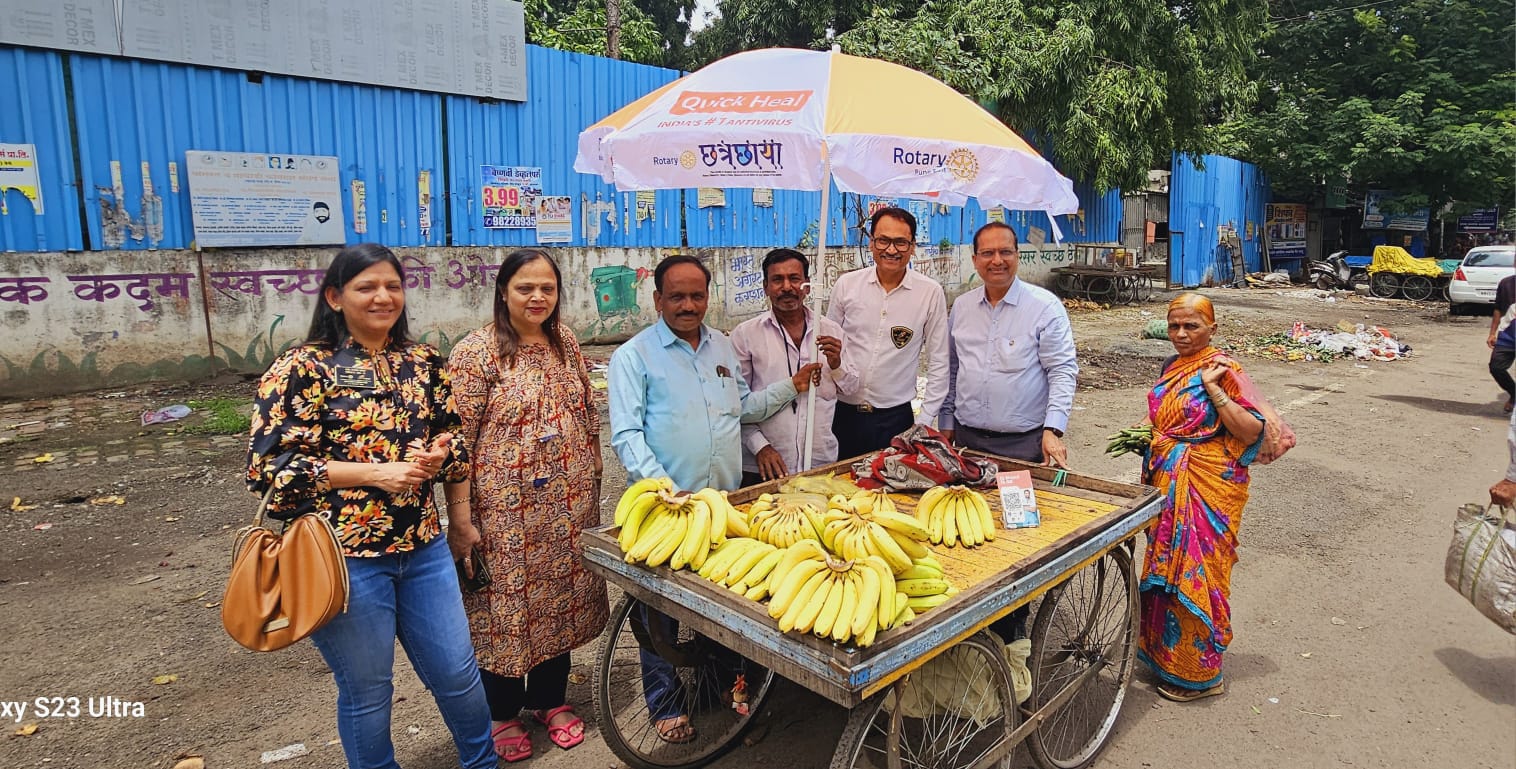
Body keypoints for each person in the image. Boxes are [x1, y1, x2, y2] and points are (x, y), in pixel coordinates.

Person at [245, 243, 495, 769]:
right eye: (366, 287)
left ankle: (482, 763)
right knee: (368, 689)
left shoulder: (422, 362)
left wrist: (445, 478)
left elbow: (455, 442)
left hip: (424, 549)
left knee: (457, 671)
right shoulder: (302, 368)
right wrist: (375, 473)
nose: (384, 297)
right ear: (335, 297)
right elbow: (270, 469)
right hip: (340, 557)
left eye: (393, 286)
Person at [609, 254, 820, 742]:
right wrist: (666, 489)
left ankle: (728, 684)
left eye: (697, 295)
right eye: (677, 296)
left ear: (709, 297)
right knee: (657, 612)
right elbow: (626, 435)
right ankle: (664, 703)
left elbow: (742, 410)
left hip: (723, 503)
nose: (688, 305)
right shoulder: (634, 356)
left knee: (725, 603)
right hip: (666, 510)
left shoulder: (721, 347)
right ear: (657, 298)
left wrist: (792, 385)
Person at [445, 249, 607, 762]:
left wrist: (593, 476)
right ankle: (501, 713)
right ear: (502, 291)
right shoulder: (477, 352)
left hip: (567, 507)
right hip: (503, 515)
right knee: (503, 609)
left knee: (559, 600)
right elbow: (458, 443)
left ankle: (549, 701)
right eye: (524, 288)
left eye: (547, 288)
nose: (537, 298)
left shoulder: (565, 342)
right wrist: (461, 520)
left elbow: (585, 411)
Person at [1138, 293, 1265, 702]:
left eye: (1191, 326)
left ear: (1213, 328)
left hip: (1209, 485)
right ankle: (1165, 659)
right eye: (1174, 325)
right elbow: (1163, 415)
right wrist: (1147, 434)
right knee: (1168, 576)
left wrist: (1214, 390)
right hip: (1169, 478)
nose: (1181, 334)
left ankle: (1203, 675)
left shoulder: (1226, 370)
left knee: (1201, 575)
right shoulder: (1171, 366)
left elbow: (1251, 432)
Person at [941, 222, 1078, 467]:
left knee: (1017, 506)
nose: (997, 260)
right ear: (974, 259)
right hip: (965, 440)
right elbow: (952, 369)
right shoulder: (961, 307)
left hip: (1024, 444)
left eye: (1005, 252)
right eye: (987, 253)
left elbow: (1061, 371)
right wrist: (946, 421)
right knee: (966, 504)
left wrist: (1053, 430)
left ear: (1017, 256)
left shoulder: (1045, 307)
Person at [826, 206, 950, 459]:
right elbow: (829, 348)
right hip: (842, 415)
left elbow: (939, 361)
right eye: (883, 240)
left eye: (901, 242)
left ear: (913, 246)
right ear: (871, 243)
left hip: (896, 420)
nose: (891, 250)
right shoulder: (846, 286)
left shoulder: (929, 293)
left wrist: (924, 422)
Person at [731, 248, 858, 485]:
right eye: (777, 280)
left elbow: (851, 389)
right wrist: (760, 447)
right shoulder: (745, 335)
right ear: (765, 286)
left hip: (821, 463)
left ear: (807, 285)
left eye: (794, 278)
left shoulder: (830, 330)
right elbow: (736, 405)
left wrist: (836, 363)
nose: (787, 287)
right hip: (764, 466)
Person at [1487, 273, 1515, 413]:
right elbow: (1498, 308)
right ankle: (1514, 393)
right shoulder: (1506, 284)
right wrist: (1492, 332)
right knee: (1496, 367)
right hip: (1508, 335)